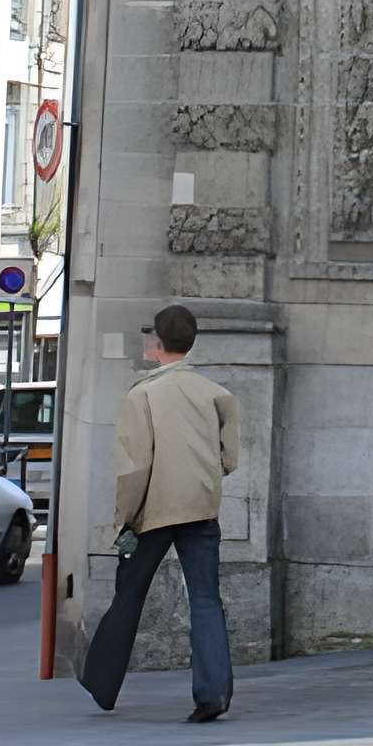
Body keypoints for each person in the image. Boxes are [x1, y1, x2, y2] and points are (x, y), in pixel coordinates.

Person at [78, 303, 240, 724]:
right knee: (206, 599)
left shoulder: (142, 395)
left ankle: (102, 682)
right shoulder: (216, 394)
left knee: (128, 595)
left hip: (152, 511)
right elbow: (231, 458)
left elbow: (134, 468)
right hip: (201, 508)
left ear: (156, 344)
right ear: (191, 343)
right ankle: (213, 693)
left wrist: (125, 519)